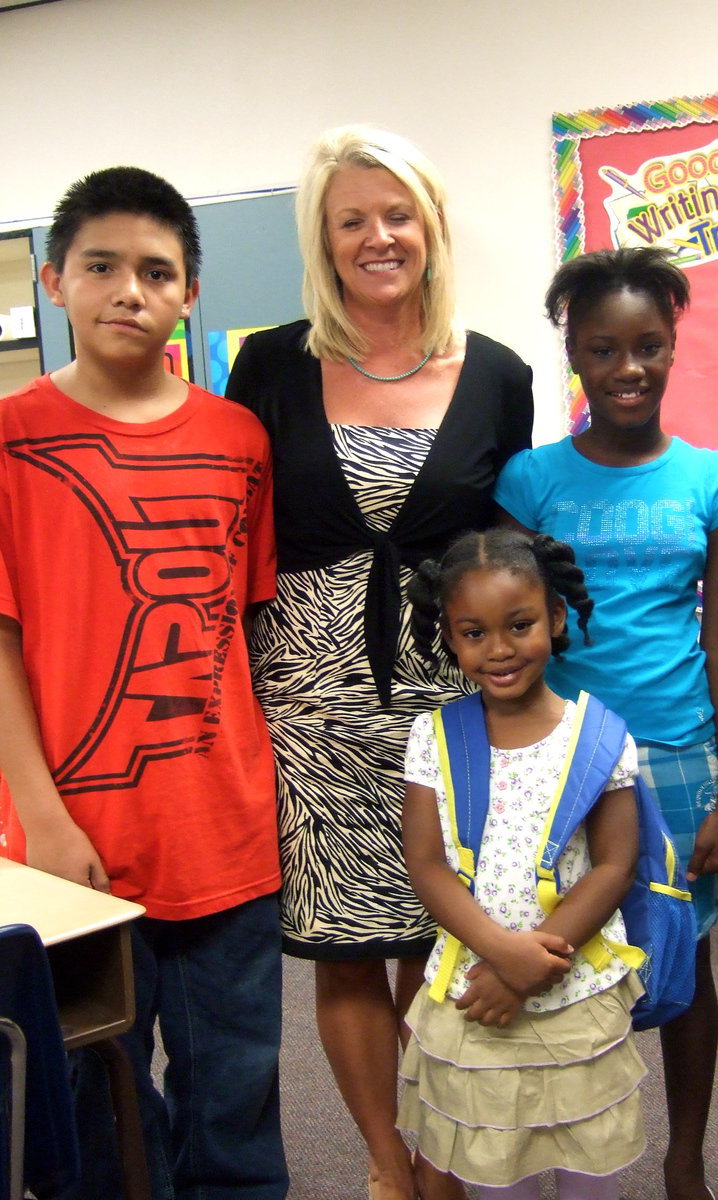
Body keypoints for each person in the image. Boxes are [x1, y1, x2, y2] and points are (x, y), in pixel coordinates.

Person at [225, 125, 533, 1200]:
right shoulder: (269, 361)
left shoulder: (498, 372)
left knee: (439, 934)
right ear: (323, 237)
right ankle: (387, 1160)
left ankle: (440, 1140)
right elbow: (233, 523)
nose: (377, 236)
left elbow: (506, 558)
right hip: (308, 704)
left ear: (432, 226)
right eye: (351, 218)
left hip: (448, 698)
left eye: (397, 213)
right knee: (347, 946)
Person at [0, 166, 287, 1199]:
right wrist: (43, 819)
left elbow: (237, 632)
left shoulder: (237, 438)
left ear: (189, 295)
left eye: (157, 272)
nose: (130, 289)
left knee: (237, 1096)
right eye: (102, 266)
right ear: (54, 280)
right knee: (93, 1107)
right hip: (65, 844)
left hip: (227, 835)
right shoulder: (8, 437)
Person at [493, 248, 718, 1200]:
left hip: (678, 753)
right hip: (563, 760)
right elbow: (514, 637)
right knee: (565, 956)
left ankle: (685, 1162)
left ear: (675, 346)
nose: (629, 368)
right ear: (575, 356)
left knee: (684, 964)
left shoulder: (717, 482)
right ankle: (574, 1162)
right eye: (605, 349)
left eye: (649, 346)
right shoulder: (530, 481)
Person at [399, 527, 646, 1200]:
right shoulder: (434, 735)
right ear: (449, 637)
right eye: (474, 632)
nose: (499, 649)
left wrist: (530, 967)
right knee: (495, 1172)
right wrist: (501, 957)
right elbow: (425, 863)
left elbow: (614, 865)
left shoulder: (598, 735)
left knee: (589, 1165)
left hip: (571, 994)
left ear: (556, 617)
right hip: (477, 994)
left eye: (519, 625)